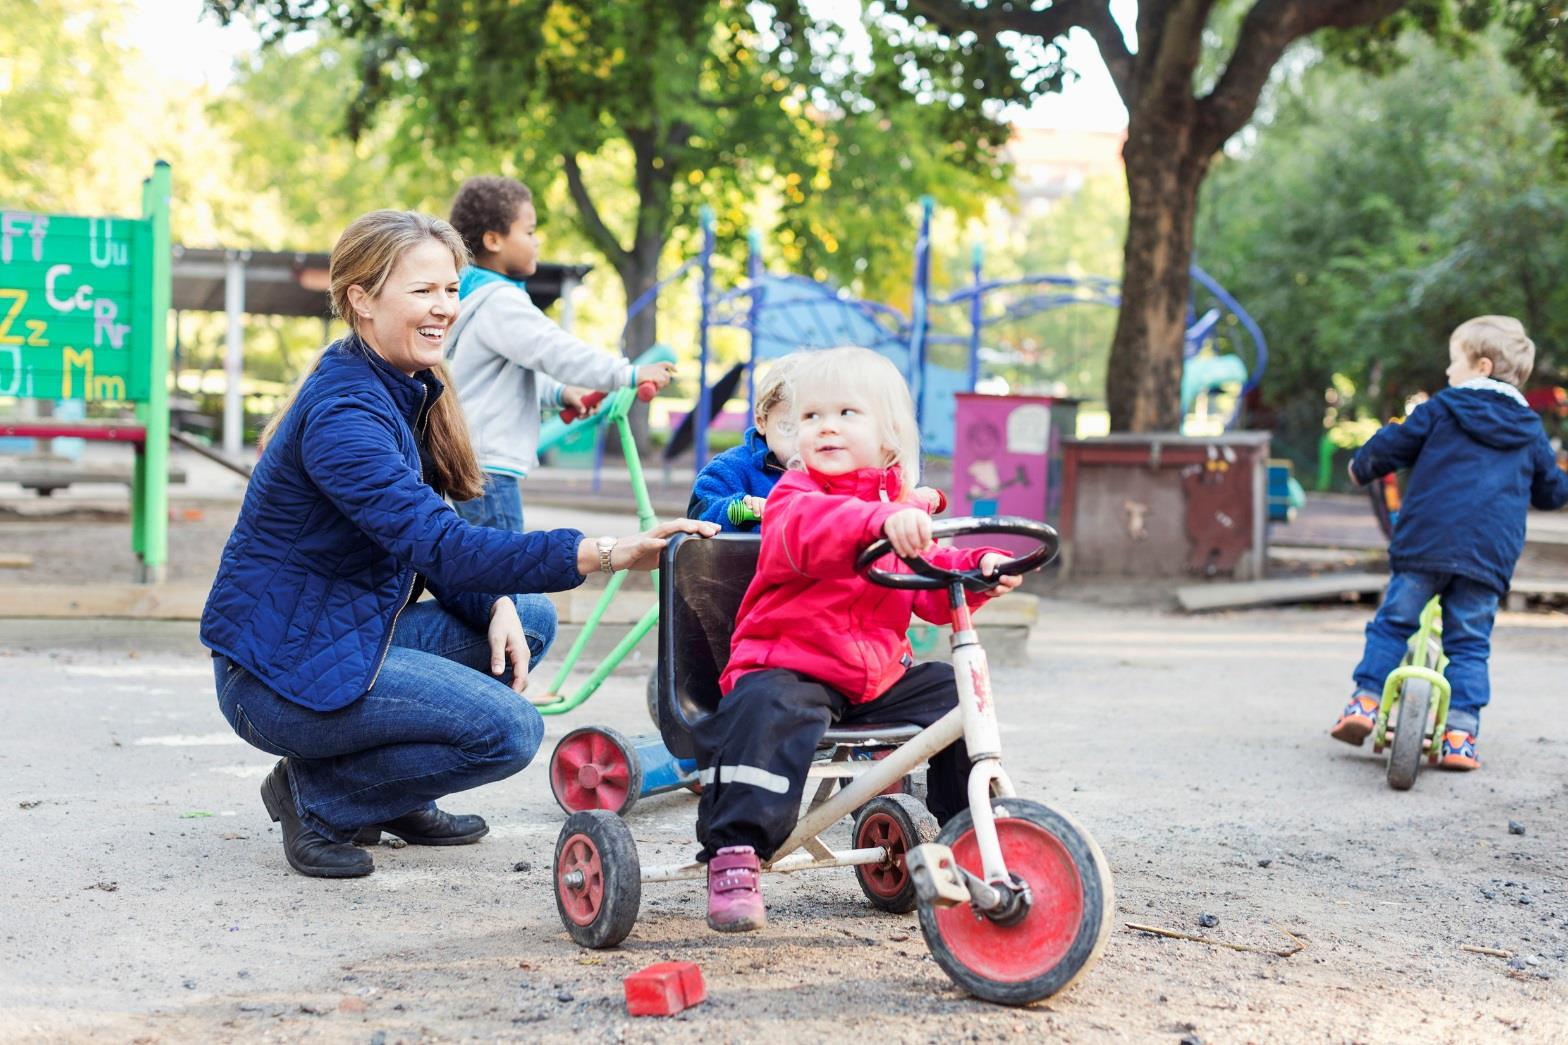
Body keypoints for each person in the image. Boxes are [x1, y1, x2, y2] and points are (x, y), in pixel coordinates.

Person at [200, 209, 717, 879]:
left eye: (450, 289)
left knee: (523, 617)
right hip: (277, 673)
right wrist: (607, 550)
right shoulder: (345, 415)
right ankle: (320, 796)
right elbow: (440, 543)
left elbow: (429, 539)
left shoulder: (400, 383)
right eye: (423, 291)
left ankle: (395, 792)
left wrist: (494, 600)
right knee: (509, 731)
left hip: (340, 632)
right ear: (361, 299)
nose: (445, 307)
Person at [690, 347, 1022, 932]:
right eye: (812, 416)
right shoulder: (796, 496)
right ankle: (735, 851)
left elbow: (929, 582)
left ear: (890, 439)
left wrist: (978, 570)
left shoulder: (898, 510)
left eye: (847, 413)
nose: (825, 427)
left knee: (953, 694)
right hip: (789, 663)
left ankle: (966, 833)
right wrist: (878, 523)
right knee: (768, 709)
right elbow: (811, 534)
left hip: (871, 678)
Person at [1331, 315, 1568, 770]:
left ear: (1480, 366)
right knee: (1470, 644)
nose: (1446, 372)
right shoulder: (1530, 431)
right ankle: (1461, 734)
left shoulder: (1441, 409)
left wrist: (1362, 466)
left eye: (1452, 361)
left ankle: (1363, 702)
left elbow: (1393, 445)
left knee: (1393, 624)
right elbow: (1551, 493)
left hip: (1426, 543)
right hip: (1488, 556)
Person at [445, 175, 677, 531]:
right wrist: (628, 374)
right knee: (505, 576)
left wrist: (560, 392)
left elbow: (501, 376)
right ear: (493, 240)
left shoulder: (471, 297)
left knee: (479, 572)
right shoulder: (500, 302)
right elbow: (556, 351)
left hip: (470, 459)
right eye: (529, 232)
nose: (537, 242)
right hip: (489, 469)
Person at [687, 352, 947, 532]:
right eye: (791, 426)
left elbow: (864, 507)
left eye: (813, 420)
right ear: (762, 421)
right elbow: (700, 515)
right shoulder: (732, 468)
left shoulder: (835, 468)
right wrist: (739, 508)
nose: (805, 438)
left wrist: (908, 501)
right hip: (735, 581)